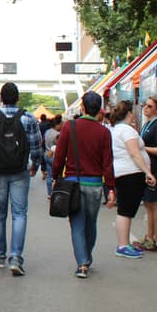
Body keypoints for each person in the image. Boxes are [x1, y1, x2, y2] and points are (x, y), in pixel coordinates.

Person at [0, 82, 44, 276]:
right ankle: (15, 258)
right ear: (18, 98)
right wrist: (35, 165)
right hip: (20, 172)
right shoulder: (28, 118)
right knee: (19, 214)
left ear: (1, 97)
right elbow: (36, 145)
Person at [53, 91, 116, 279]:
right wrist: (110, 188)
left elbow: (59, 156)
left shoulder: (69, 127)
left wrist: (55, 176)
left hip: (73, 183)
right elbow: (108, 163)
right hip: (95, 184)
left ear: (82, 107)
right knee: (91, 223)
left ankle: (82, 264)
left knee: (77, 224)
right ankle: (87, 256)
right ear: (100, 110)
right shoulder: (104, 132)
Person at [110, 101, 156, 259]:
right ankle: (123, 245)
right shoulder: (127, 130)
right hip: (131, 173)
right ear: (129, 113)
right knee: (126, 210)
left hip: (123, 173)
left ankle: (124, 243)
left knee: (125, 209)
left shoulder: (116, 130)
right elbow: (134, 153)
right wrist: (147, 172)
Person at [136, 95, 157, 251]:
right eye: (145, 105)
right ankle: (149, 236)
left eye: (150, 106)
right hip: (147, 167)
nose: (146, 108)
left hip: (156, 168)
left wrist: (142, 148)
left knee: (156, 203)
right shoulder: (147, 124)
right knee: (148, 203)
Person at [42, 116, 62, 199]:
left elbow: (43, 141)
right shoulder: (57, 134)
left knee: (49, 175)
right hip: (54, 155)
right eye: (61, 124)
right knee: (57, 176)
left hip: (46, 154)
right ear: (57, 125)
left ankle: (50, 193)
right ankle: (56, 192)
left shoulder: (47, 131)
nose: (61, 126)